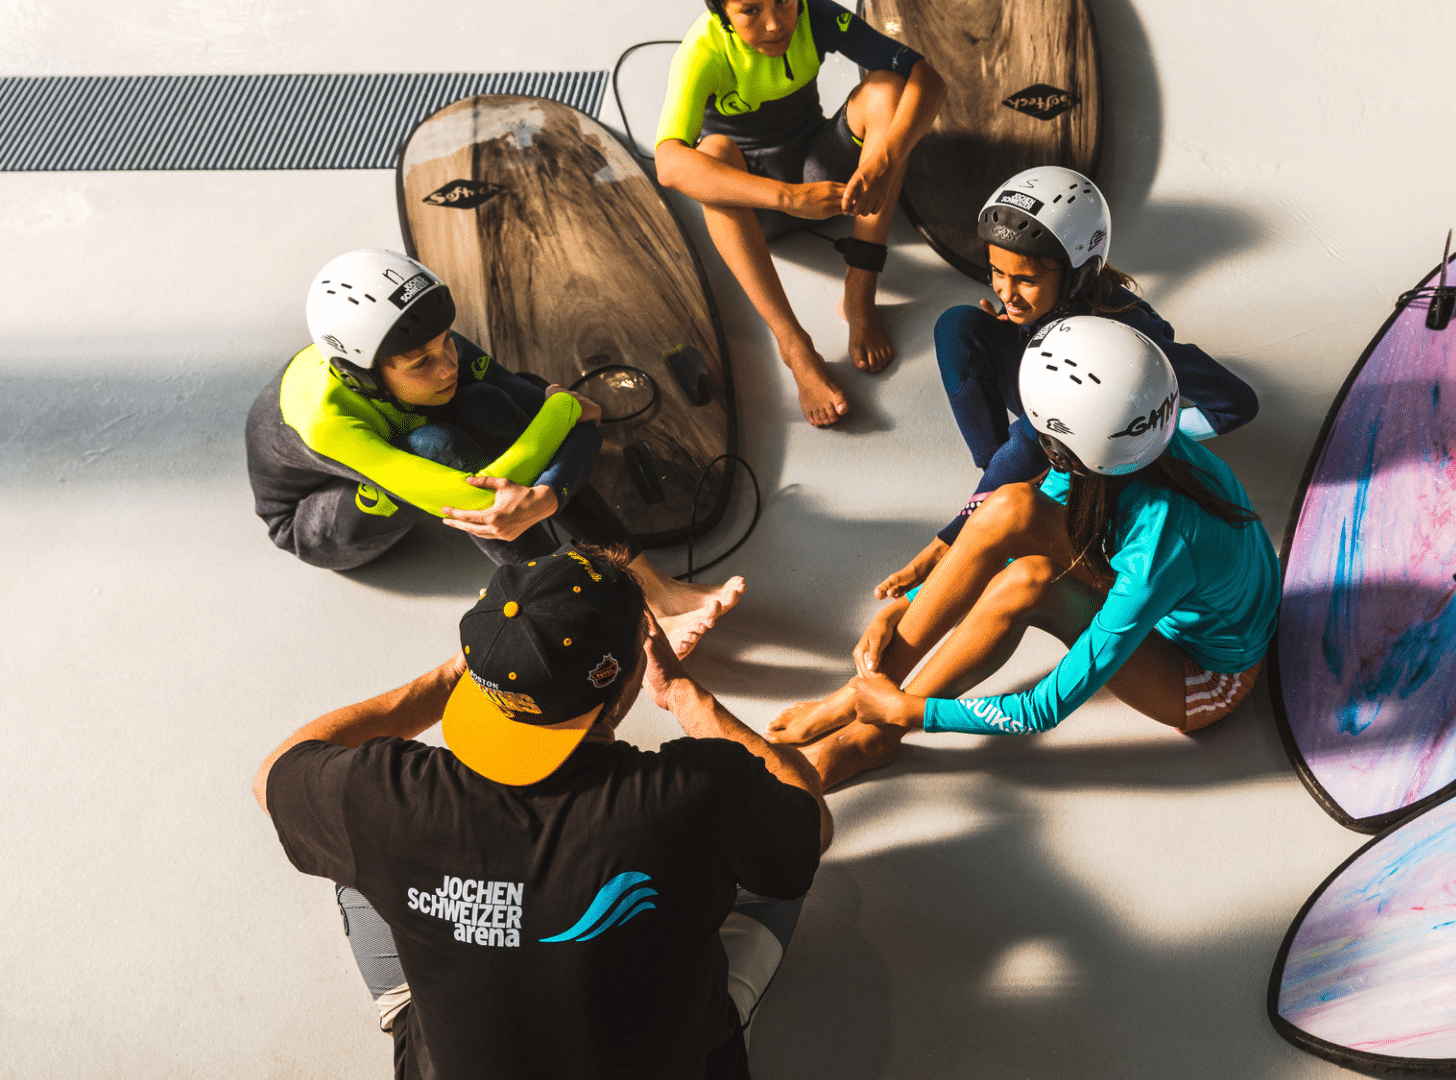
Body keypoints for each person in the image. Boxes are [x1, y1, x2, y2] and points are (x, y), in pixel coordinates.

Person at [255, 542, 831, 1079]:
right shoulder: (696, 793)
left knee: (353, 854)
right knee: (774, 848)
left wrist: (457, 673)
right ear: (630, 670)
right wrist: (682, 692)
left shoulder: (386, 796)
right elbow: (810, 821)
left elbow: (275, 772)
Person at [770, 318, 1281, 788]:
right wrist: (909, 606)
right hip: (1175, 596)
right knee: (1010, 505)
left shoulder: (1161, 545)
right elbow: (1012, 525)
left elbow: (1045, 707)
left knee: (1028, 584)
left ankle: (874, 734)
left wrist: (914, 713)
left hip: (1207, 678)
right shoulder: (1129, 446)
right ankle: (856, 694)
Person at [245, 248, 741, 655]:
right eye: (420, 362)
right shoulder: (324, 422)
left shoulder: (427, 343)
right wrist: (559, 417)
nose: (445, 367)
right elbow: (480, 501)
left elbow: (585, 424)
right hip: (321, 517)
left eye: (447, 345)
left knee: (485, 400)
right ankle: (617, 616)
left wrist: (548, 491)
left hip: (410, 445)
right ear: (363, 373)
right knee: (437, 445)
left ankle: (653, 584)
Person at [873, 166, 1259, 601]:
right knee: (959, 324)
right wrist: (1020, 326)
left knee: (1034, 432)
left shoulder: (1128, 330)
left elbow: (1236, 405)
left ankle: (954, 536)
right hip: (1046, 413)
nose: (1006, 292)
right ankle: (1004, 480)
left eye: (1026, 280)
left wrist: (1151, 436)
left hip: (1089, 427)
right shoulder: (1034, 303)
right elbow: (1003, 324)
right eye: (997, 272)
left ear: (1078, 275)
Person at [652, 0, 947, 427]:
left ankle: (860, 293)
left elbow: (928, 78)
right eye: (750, 11)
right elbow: (668, 165)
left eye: (784, 2)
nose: (774, 24)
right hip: (759, 204)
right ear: (721, 13)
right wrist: (788, 198)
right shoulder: (702, 51)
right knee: (711, 152)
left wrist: (884, 159)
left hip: (825, 177)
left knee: (884, 88)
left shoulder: (817, 16)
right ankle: (794, 347)